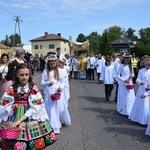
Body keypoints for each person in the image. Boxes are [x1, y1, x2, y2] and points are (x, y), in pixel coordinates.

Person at [0, 63, 57, 150]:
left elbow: (36, 107)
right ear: (16, 75)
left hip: (30, 115)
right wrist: (11, 107)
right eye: (21, 75)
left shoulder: (33, 88)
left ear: (29, 74)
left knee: (31, 140)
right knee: (15, 142)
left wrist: (19, 121)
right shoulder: (11, 88)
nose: (24, 77)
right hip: (14, 115)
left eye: (26, 74)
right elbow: (4, 103)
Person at [41, 55, 71, 134]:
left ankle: (57, 121)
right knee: (51, 109)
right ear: (48, 64)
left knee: (58, 108)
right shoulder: (45, 71)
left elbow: (64, 80)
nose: (52, 65)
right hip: (49, 92)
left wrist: (61, 86)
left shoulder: (60, 71)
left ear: (56, 63)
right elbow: (42, 83)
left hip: (57, 91)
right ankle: (53, 125)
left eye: (54, 64)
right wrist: (48, 83)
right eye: (51, 64)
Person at [128, 57, 150, 125]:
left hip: (149, 89)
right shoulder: (141, 71)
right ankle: (139, 118)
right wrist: (140, 82)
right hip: (142, 89)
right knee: (142, 103)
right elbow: (137, 79)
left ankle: (147, 119)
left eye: (149, 65)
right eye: (147, 64)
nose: (148, 66)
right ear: (144, 64)